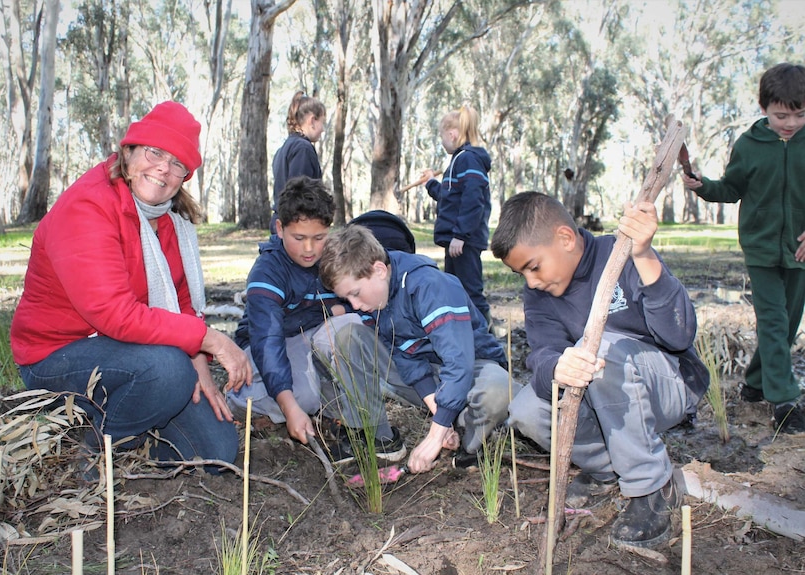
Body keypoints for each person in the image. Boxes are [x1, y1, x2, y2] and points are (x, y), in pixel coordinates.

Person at [10, 101, 252, 472]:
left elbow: (183, 299)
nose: (163, 169)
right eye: (155, 152)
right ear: (129, 150)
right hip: (56, 357)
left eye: (178, 164)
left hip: (129, 354)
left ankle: (134, 430)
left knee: (218, 451)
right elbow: (113, 314)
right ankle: (102, 452)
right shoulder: (88, 205)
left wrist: (202, 369)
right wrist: (211, 340)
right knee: (169, 370)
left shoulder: (167, 219)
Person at [490, 191, 709, 548]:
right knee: (527, 409)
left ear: (565, 238)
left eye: (533, 266)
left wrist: (644, 255)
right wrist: (559, 367)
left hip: (669, 385)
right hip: (604, 387)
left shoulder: (622, 255)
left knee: (601, 349)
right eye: (521, 274)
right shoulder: (540, 294)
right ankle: (606, 469)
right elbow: (543, 354)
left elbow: (679, 335)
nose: (530, 282)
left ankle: (650, 489)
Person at [228, 176, 406, 463]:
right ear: (279, 228)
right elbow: (267, 341)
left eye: (319, 237)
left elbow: (362, 306)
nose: (309, 249)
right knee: (300, 399)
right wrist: (289, 408)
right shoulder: (268, 271)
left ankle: (370, 430)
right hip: (272, 348)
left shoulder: (333, 258)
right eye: (299, 238)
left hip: (312, 341)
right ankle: (248, 405)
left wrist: (335, 311)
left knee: (349, 328)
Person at [318, 224, 514, 475]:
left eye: (355, 293)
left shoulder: (428, 285)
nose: (354, 305)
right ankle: (380, 439)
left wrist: (435, 435)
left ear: (378, 269)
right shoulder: (376, 298)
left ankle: (472, 445)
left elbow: (459, 364)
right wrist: (441, 418)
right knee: (348, 337)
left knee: (497, 390)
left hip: (473, 366)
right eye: (347, 299)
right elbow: (406, 355)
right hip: (431, 377)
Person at [683, 63, 805, 434]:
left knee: (787, 327)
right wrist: (703, 186)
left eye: (800, 114)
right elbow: (731, 189)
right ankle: (784, 402)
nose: (791, 123)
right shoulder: (749, 146)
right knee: (772, 321)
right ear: (764, 107)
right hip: (761, 248)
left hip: (800, 253)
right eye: (781, 115)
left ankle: (753, 384)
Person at [420, 104, 493, 325]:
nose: (442, 143)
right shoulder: (459, 161)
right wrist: (430, 183)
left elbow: (473, 199)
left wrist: (461, 235)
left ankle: (485, 335)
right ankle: (466, 330)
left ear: (452, 134)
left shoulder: (467, 159)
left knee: (470, 289)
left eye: (442, 137)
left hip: (464, 241)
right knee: (455, 287)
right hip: (456, 240)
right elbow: (449, 197)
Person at [271, 91, 326, 234]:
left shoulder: (283, 149)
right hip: (295, 229)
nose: (323, 129)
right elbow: (300, 196)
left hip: (284, 226)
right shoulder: (303, 149)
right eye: (322, 123)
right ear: (312, 121)